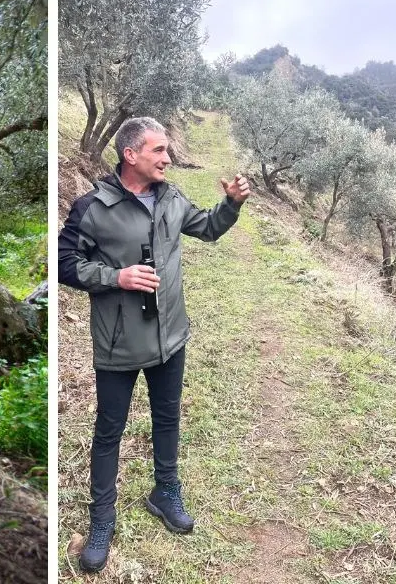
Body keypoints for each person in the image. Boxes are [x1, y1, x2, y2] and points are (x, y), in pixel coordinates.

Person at [56, 116, 251, 573]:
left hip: (170, 338)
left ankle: (165, 492)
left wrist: (231, 204)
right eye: (158, 151)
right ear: (131, 155)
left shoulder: (170, 197)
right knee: (109, 432)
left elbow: (207, 227)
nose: (167, 158)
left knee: (167, 417)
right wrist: (115, 276)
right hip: (119, 345)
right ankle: (101, 519)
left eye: (167, 151)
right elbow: (65, 264)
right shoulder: (93, 208)